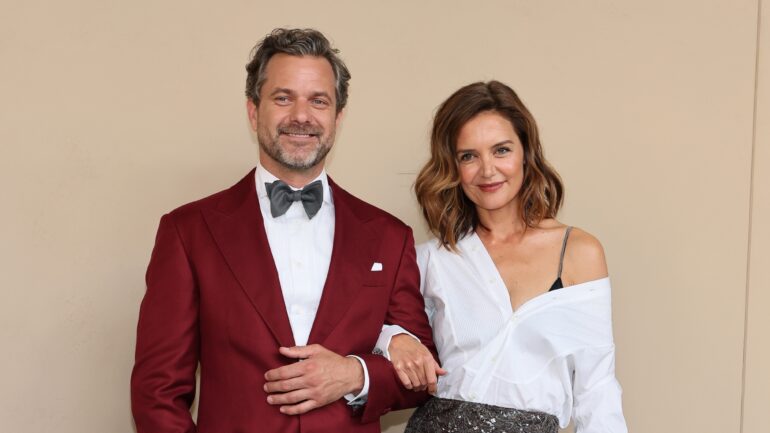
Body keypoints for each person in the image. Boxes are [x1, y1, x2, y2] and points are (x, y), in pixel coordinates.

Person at [130, 28, 437, 433]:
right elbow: (157, 392)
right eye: (283, 97)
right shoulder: (188, 232)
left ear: (337, 117)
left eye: (318, 101)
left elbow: (421, 371)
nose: (301, 116)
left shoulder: (389, 237)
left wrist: (355, 375)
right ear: (254, 111)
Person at [378, 81, 628, 432]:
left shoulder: (577, 252)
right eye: (469, 156)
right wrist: (394, 339)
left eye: (501, 150)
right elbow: (365, 327)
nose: (487, 170)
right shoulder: (431, 259)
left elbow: (597, 389)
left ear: (526, 152)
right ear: (453, 167)